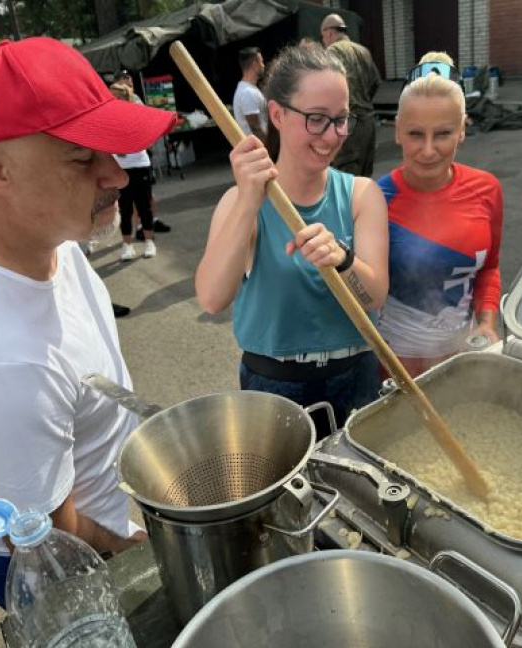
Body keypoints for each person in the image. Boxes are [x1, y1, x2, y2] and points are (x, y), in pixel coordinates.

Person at [0, 37, 176, 608]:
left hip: (41, 478)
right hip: (55, 556)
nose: (117, 175)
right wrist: (135, 547)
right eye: (81, 157)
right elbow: (49, 537)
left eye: (110, 148)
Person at [195, 44, 389, 437]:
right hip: (273, 385)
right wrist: (248, 200)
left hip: (356, 376)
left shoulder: (361, 195)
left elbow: (373, 298)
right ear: (277, 114)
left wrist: (342, 259)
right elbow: (212, 299)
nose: (332, 135)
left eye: (341, 119)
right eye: (316, 119)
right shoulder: (239, 201)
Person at [376, 52, 503, 377]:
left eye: (443, 133)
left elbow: (489, 268)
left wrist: (487, 323)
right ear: (397, 131)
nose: (429, 150)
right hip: (394, 366)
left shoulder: (487, 190)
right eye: (416, 134)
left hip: (463, 358)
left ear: (462, 129)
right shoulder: (375, 199)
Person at [320, 13, 381, 177]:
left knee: (346, 177)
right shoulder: (363, 51)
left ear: (329, 33)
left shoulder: (332, 51)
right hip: (368, 121)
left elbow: (326, 88)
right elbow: (376, 82)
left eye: (323, 36)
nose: (323, 41)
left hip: (348, 124)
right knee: (365, 176)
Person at [110, 83, 157, 260]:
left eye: (114, 96)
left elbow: (149, 138)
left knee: (144, 207)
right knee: (125, 209)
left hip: (139, 165)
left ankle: (149, 242)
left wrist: (129, 144)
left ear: (123, 98)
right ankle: (127, 246)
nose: (110, 99)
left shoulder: (136, 113)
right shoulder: (108, 116)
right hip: (120, 169)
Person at [233, 47, 267, 141]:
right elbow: (256, 130)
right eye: (261, 62)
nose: (263, 65)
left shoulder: (249, 89)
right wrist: (270, 147)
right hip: (259, 147)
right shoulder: (248, 93)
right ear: (255, 65)